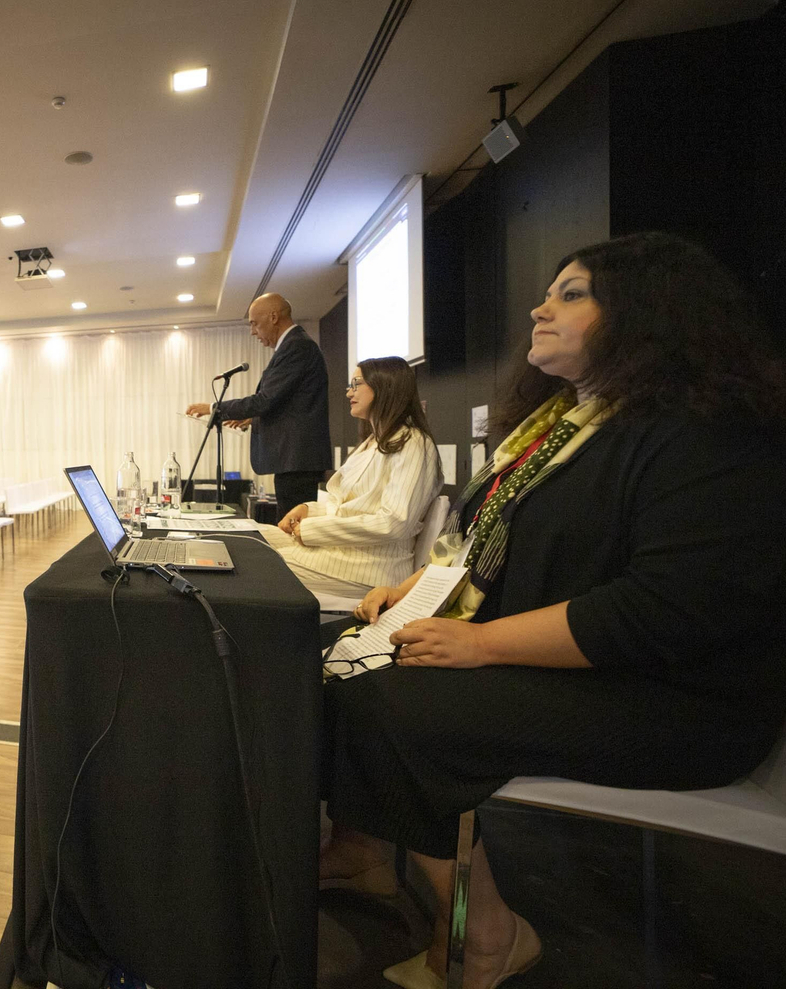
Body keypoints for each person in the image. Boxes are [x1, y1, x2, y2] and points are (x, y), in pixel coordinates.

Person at [320, 234, 786, 989]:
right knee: (338, 649)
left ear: (649, 313)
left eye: (571, 294)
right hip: (587, 670)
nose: (540, 309)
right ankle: (363, 853)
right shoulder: (564, 427)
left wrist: (482, 645)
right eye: (547, 294)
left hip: (677, 699)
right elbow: (493, 544)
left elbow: (660, 611)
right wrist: (419, 590)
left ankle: (488, 934)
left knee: (390, 697)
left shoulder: (706, 433)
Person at [258, 356, 442, 601]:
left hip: (369, 569)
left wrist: (313, 529)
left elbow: (394, 522)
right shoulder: (372, 442)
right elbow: (347, 506)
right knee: (249, 537)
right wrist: (308, 509)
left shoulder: (413, 443)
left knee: (253, 563)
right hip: (339, 552)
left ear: (384, 386)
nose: (348, 393)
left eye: (356, 384)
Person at [186, 292, 331, 519]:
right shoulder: (294, 345)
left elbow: (265, 399)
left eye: (254, 323)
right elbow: (289, 402)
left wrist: (214, 408)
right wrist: (253, 418)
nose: (253, 331)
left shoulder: (297, 346)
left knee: (293, 527)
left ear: (273, 317)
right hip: (294, 460)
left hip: (297, 460)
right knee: (289, 525)